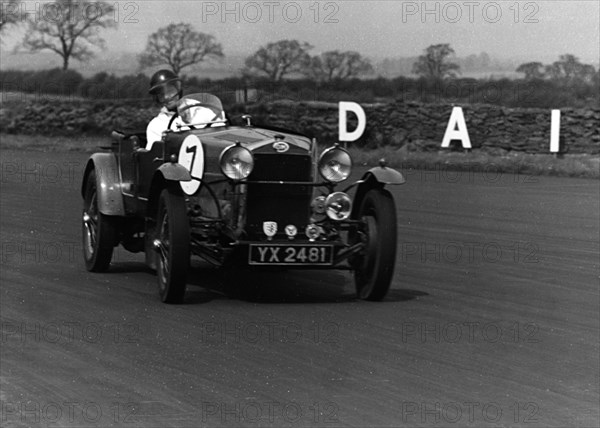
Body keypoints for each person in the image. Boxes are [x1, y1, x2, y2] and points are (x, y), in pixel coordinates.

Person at [145, 69, 184, 149]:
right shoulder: (156, 125)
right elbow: (155, 156)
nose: (166, 97)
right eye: (161, 95)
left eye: (170, 91)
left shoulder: (198, 109)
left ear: (178, 90)